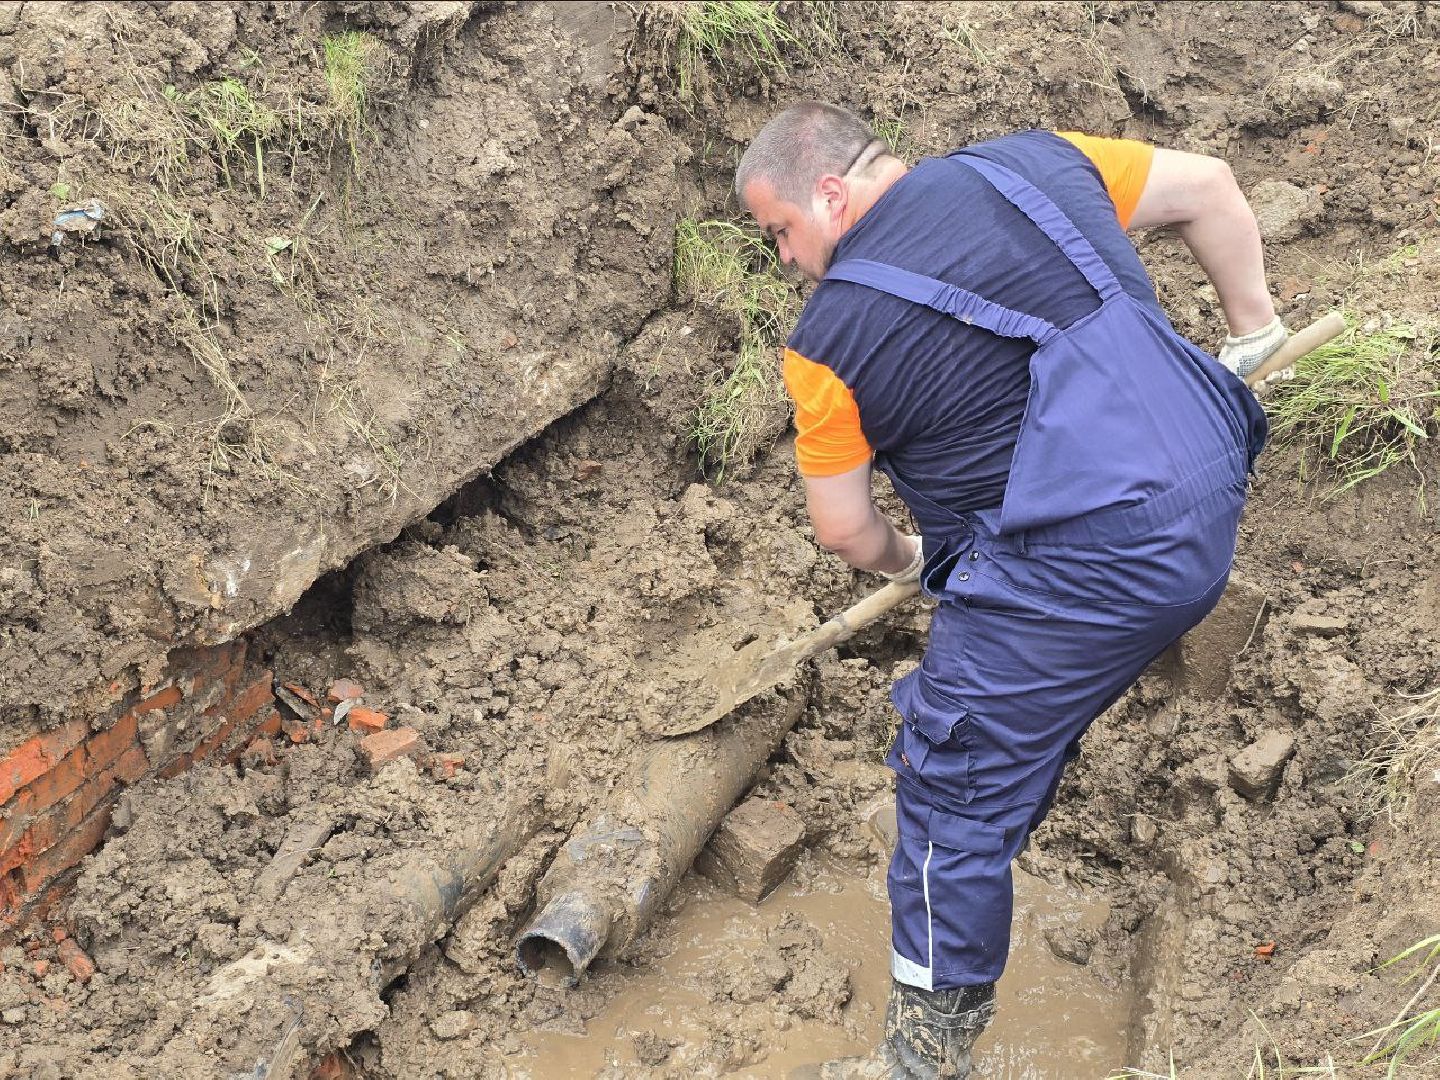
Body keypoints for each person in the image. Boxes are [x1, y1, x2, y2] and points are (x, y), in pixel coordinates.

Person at [735, 102, 1285, 1078]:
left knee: (949, 787)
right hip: (1209, 476)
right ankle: (998, 827)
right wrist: (1251, 342)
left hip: (1085, 562)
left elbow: (845, 530)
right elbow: (1211, 190)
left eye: (779, 229)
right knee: (1014, 713)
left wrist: (917, 563)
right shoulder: (1042, 161)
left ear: (828, 192)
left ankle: (925, 1056)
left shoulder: (824, 343)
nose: (783, 257)